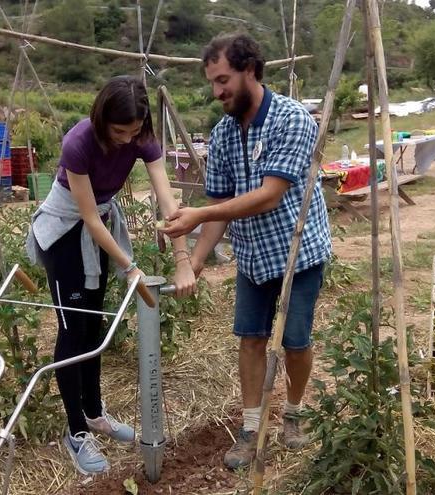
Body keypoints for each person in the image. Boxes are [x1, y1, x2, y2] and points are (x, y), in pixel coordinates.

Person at [161, 33, 331, 470]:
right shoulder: (221, 134)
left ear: (250, 70)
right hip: (253, 258)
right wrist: (195, 263)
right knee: (250, 340)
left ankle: (293, 414)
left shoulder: (292, 120)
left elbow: (270, 195)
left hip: (298, 253)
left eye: (223, 80)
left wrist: (196, 214)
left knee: (294, 341)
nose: (217, 92)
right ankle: (252, 426)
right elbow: (219, 209)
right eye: (213, 83)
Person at [24, 75, 196, 475]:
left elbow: (167, 201)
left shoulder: (143, 137)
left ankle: (95, 413)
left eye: (133, 131)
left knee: (94, 326)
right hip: (66, 233)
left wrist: (182, 257)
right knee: (73, 331)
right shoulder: (78, 143)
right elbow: (87, 218)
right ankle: (74, 432)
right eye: (119, 131)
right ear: (102, 120)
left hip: (97, 226)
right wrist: (131, 267)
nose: (125, 139)